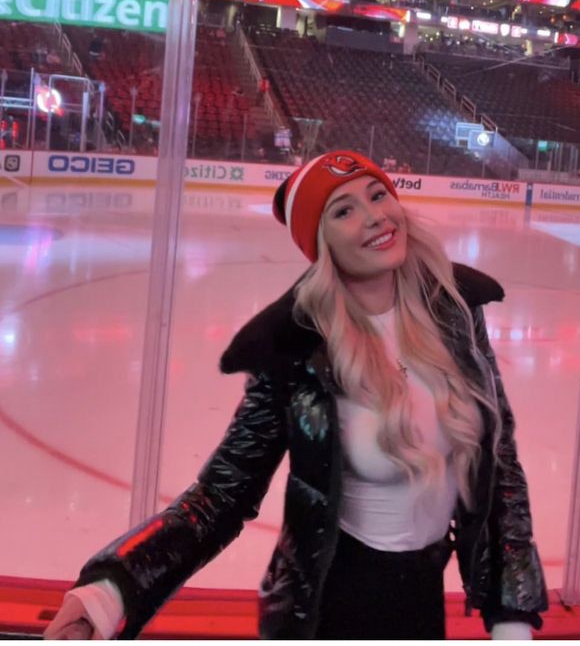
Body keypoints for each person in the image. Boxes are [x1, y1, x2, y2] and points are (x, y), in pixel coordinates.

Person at [43, 150, 547, 640]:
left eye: (378, 195)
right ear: (320, 241)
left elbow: (498, 460)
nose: (374, 217)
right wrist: (108, 595)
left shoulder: (454, 309)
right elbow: (221, 495)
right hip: (332, 605)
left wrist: (512, 615)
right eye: (344, 211)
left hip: (421, 598)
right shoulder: (296, 349)